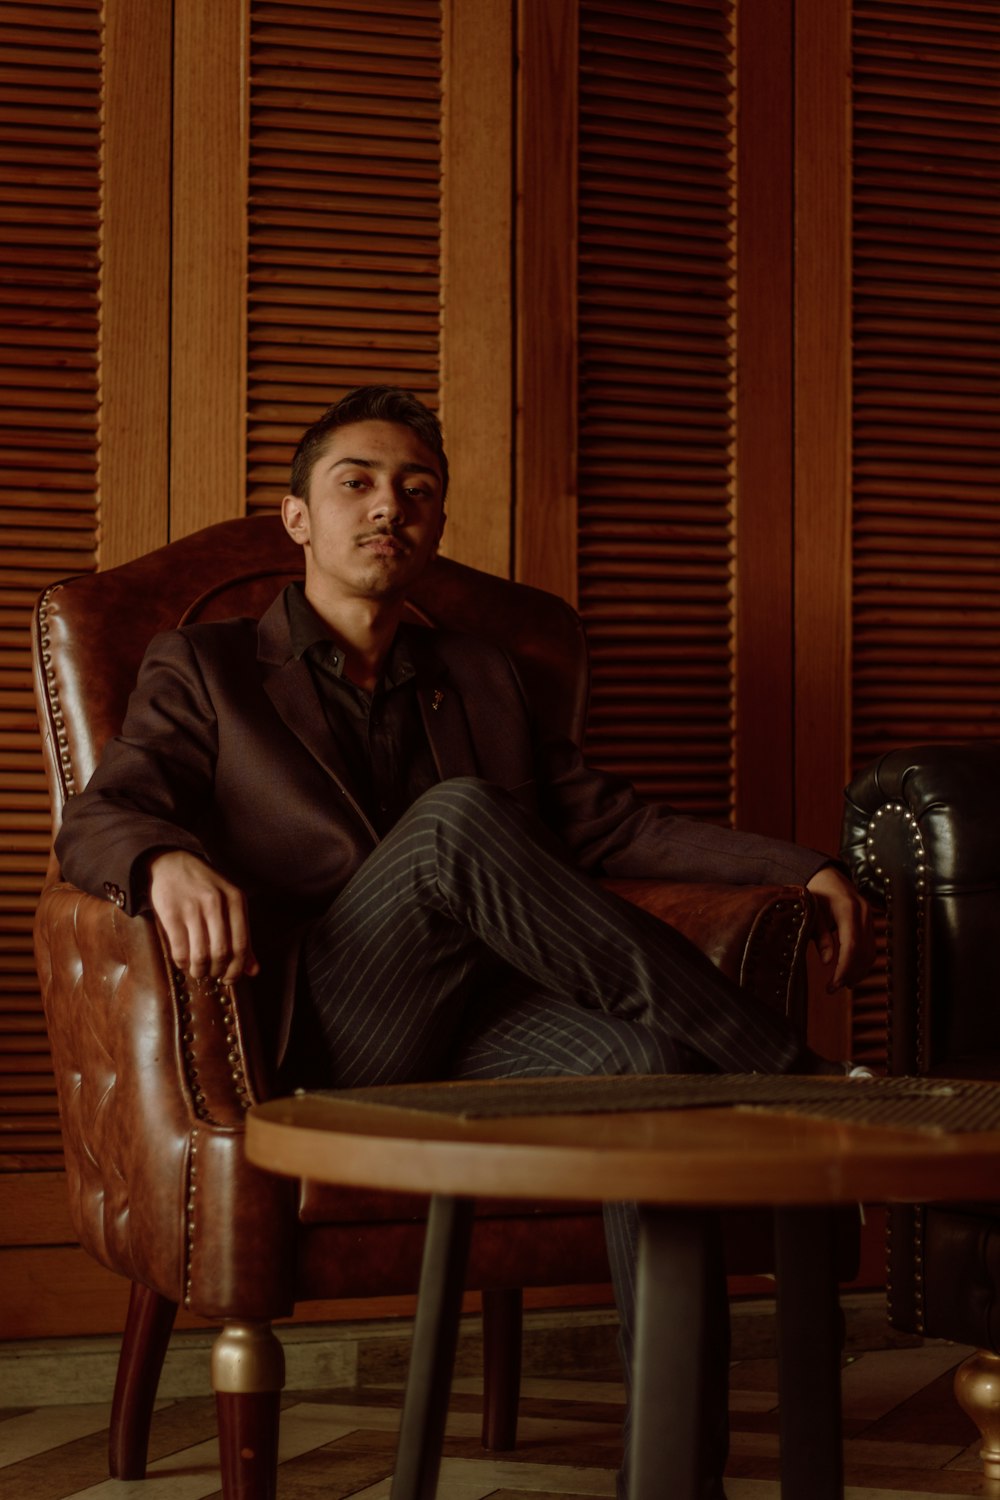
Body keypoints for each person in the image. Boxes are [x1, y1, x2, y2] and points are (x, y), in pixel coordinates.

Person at [55, 385, 873, 1498]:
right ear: (297, 518)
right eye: (356, 483)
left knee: (647, 1074)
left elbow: (606, 822)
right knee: (457, 821)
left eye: (417, 491)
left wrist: (799, 865)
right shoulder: (204, 666)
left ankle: (678, 1474)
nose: (389, 507)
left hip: (477, 1022)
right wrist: (161, 859)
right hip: (331, 1035)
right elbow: (98, 816)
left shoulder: (480, 674)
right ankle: (785, 1074)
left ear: (434, 526)